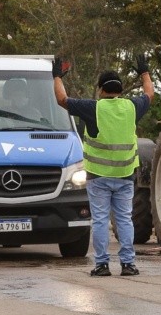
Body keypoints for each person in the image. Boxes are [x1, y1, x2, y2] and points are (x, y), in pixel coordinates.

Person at [52, 55, 154, 277]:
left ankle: (102, 265)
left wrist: (57, 76)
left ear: (100, 89)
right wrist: (144, 72)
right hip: (125, 175)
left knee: (99, 220)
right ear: (120, 89)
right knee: (124, 219)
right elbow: (150, 94)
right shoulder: (131, 107)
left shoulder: (93, 108)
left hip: (98, 177)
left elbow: (62, 99)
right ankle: (128, 264)